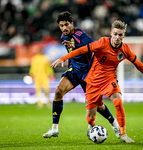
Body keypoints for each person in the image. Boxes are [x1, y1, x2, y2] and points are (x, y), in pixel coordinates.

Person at [51, 20, 143, 143]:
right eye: (115, 34)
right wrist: (63, 58)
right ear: (111, 33)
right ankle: (92, 125)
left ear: (124, 36)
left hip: (109, 80)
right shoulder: (102, 42)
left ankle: (123, 134)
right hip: (93, 81)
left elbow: (139, 65)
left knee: (118, 101)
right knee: (91, 117)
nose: (117, 37)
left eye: (120, 35)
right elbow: (82, 50)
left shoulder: (125, 49)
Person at [43, 11, 120, 139]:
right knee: (58, 92)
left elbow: (93, 46)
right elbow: (73, 55)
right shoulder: (63, 37)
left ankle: (114, 123)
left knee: (98, 105)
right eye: (61, 26)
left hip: (90, 73)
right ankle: (54, 128)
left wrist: (76, 45)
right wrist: (70, 67)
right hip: (75, 71)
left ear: (72, 24)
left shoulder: (81, 35)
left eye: (66, 24)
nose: (64, 28)